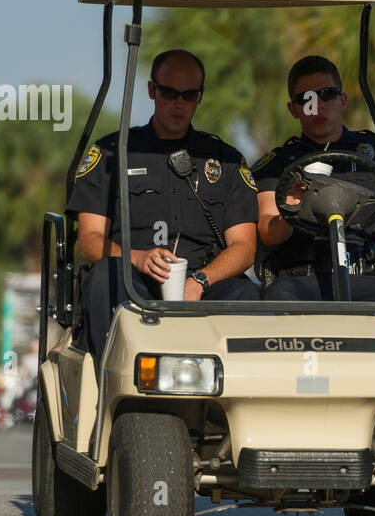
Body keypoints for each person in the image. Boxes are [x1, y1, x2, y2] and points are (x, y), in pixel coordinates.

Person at [67, 49, 260, 371]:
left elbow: (245, 248)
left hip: (201, 281)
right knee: (104, 278)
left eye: (189, 95)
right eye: (169, 93)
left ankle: (231, 395)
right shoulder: (113, 153)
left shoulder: (225, 160)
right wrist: (138, 258)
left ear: (200, 97)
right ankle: (112, 386)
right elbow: (89, 240)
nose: (178, 103)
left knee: (244, 292)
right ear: (152, 90)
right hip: (133, 279)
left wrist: (200, 280)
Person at [252, 55, 375, 303]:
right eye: (307, 99)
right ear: (293, 109)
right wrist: (290, 211)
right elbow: (267, 231)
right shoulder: (277, 164)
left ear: (342, 100)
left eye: (327, 94)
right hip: (307, 285)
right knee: (280, 295)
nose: (319, 105)